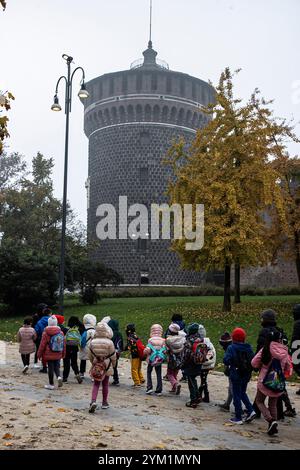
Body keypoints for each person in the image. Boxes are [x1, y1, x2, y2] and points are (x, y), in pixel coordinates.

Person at [252, 328, 290, 436]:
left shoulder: (265, 349)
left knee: (259, 401)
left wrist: (261, 366)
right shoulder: (284, 351)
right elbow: (288, 367)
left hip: (264, 380)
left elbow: (254, 363)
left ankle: (270, 420)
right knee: (272, 404)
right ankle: (273, 425)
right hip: (277, 381)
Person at [223, 327, 255, 424]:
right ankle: (250, 410)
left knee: (236, 394)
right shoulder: (248, 347)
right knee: (242, 392)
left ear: (233, 338)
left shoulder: (231, 347)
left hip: (236, 373)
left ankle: (238, 416)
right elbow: (252, 360)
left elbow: (226, 360)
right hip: (246, 374)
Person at [88, 321, 117, 413]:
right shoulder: (110, 342)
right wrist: (114, 365)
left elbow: (90, 355)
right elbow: (113, 356)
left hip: (97, 365)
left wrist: (93, 363)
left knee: (96, 384)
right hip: (107, 365)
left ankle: (93, 401)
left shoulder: (92, 342)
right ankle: (104, 402)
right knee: (105, 384)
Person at [182, 323, 207, 408]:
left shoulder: (189, 340)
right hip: (199, 362)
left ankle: (193, 400)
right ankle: (198, 396)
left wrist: (183, 363)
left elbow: (186, 354)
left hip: (191, 363)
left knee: (191, 381)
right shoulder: (201, 340)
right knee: (193, 379)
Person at [37, 315, 66, 390]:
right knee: (57, 367)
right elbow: (63, 344)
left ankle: (51, 384)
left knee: (50, 368)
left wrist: (39, 354)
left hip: (49, 353)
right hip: (58, 352)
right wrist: (63, 353)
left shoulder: (45, 333)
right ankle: (59, 377)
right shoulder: (61, 332)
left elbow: (42, 345)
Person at [144, 324, 166, 396]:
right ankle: (159, 390)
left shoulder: (150, 340)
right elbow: (164, 350)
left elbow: (149, 350)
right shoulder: (163, 340)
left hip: (151, 359)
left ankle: (149, 388)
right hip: (159, 359)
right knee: (159, 374)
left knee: (149, 372)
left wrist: (145, 351)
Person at [164, 313, 187, 383]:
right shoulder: (184, 326)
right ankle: (185, 376)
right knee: (182, 361)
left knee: (171, 361)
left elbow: (166, 335)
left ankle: (169, 376)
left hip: (172, 346)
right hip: (182, 346)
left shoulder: (172, 326)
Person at [165, 323, 185, 395]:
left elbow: (166, 350)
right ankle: (174, 388)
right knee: (175, 374)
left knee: (169, 374)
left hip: (171, 360)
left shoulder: (168, 340)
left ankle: (175, 384)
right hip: (179, 359)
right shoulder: (182, 339)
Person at [198, 324, 216, 403]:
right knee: (204, 379)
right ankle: (205, 395)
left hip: (203, 364)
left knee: (203, 379)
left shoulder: (200, 344)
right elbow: (213, 354)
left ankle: (199, 395)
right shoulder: (209, 343)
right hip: (209, 364)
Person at [63, 316, 83, 384]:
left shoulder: (66, 329)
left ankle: (65, 378)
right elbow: (83, 328)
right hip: (75, 347)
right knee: (74, 362)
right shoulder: (78, 329)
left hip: (67, 347)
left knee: (66, 363)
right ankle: (77, 374)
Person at [34, 307, 52, 373]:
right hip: (51, 338)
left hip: (41, 338)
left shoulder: (39, 321)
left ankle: (44, 365)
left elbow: (36, 330)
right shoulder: (52, 320)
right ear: (50, 313)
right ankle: (51, 364)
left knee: (43, 352)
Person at [79, 314, 97, 379]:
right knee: (93, 362)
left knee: (83, 361)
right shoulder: (95, 332)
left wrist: (81, 346)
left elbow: (83, 341)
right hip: (93, 349)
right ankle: (93, 374)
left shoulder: (85, 332)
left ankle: (81, 373)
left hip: (85, 349)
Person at [218, 332, 233, 411]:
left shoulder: (230, 348)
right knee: (231, 389)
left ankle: (242, 409)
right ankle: (227, 404)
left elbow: (227, 360)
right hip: (234, 371)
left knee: (233, 389)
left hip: (234, 371)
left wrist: (227, 367)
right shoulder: (229, 347)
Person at [108, 319, 124, 386]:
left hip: (109, 352)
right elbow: (121, 343)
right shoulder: (119, 333)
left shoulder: (110, 333)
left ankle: (105, 378)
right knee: (115, 366)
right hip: (117, 352)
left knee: (107, 365)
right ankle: (116, 379)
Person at [32, 303, 48, 368]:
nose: (45, 309)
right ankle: (35, 362)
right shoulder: (36, 316)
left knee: (45, 349)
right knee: (38, 349)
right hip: (38, 335)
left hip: (45, 334)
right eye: (44, 308)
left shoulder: (46, 316)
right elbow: (33, 326)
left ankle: (43, 362)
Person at [291, 304, 300, 396]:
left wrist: (293, 350)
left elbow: (295, 338)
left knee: (297, 365)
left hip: (297, 347)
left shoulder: (297, 324)